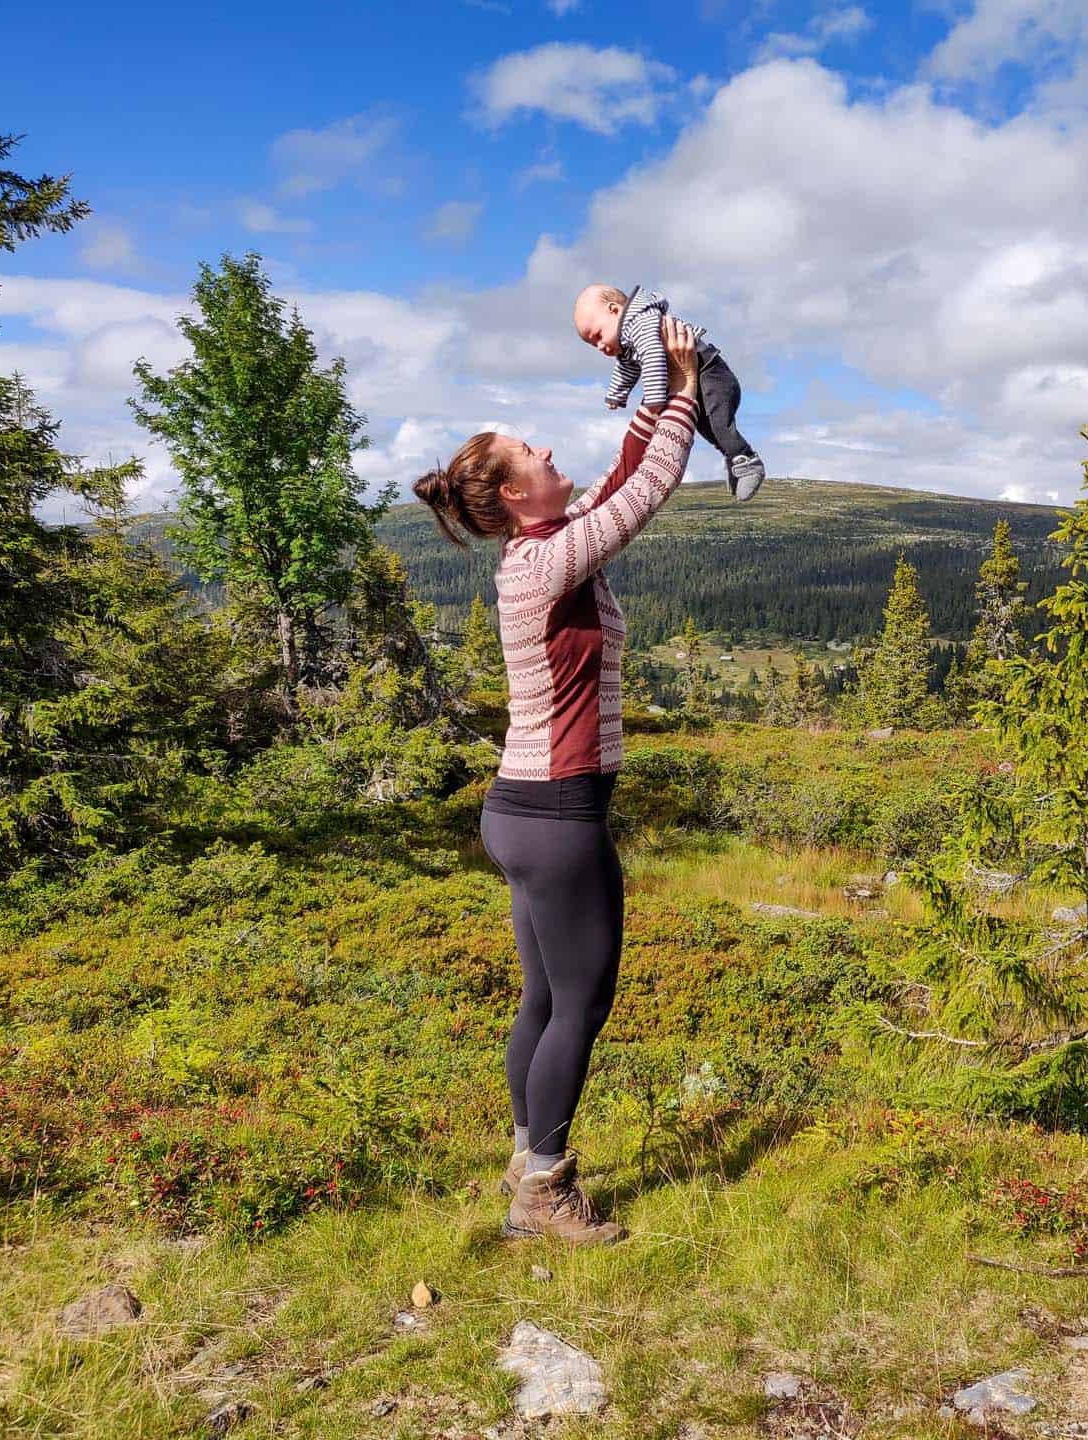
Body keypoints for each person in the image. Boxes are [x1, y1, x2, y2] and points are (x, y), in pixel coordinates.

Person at [413, 317, 703, 1244]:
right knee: (582, 1000)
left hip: (522, 811)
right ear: (513, 490)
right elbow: (649, 490)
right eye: (528, 449)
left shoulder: (544, 544)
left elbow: (618, 480)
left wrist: (650, 384)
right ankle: (544, 1190)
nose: (546, 448)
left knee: (544, 998)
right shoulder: (544, 560)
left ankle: (525, 1152)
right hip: (557, 813)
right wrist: (688, 389)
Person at [573, 282, 765, 501]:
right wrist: (616, 394)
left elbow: (653, 357)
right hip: (698, 378)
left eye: (598, 335)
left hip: (710, 372)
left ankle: (747, 460)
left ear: (615, 310)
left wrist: (655, 399)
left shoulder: (641, 324)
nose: (599, 346)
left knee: (718, 424)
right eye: (592, 344)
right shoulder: (627, 340)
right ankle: (734, 457)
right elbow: (626, 367)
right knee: (705, 426)